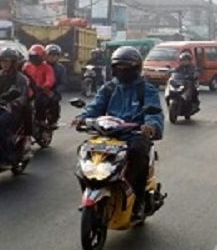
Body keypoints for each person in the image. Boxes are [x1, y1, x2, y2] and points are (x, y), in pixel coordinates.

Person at [70, 46, 164, 219]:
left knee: (136, 153)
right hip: (109, 134)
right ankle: (91, 190)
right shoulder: (109, 88)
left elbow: (154, 112)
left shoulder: (146, 89)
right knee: (84, 151)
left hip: (134, 135)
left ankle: (138, 201)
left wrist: (150, 126)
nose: (121, 70)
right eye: (118, 67)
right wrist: (82, 118)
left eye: (125, 67)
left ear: (136, 68)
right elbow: (95, 106)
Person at [0, 47, 30, 164]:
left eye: (7, 61)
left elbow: (23, 95)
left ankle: (7, 154)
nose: (4, 64)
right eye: (2, 61)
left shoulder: (20, 78)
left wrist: (15, 102)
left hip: (11, 108)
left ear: (13, 63)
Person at [24, 44, 56, 127]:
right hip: (28, 90)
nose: (33, 58)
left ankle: (41, 120)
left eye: (36, 56)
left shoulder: (47, 67)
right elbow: (21, 76)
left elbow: (50, 79)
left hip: (41, 90)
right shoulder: (26, 66)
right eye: (32, 56)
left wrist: (45, 86)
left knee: (41, 102)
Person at [45, 44, 67, 122]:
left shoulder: (61, 68)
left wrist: (54, 91)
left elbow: (63, 83)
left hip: (54, 92)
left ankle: (52, 122)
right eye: (50, 55)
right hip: (41, 91)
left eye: (55, 55)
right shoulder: (41, 66)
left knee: (54, 104)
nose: (52, 57)